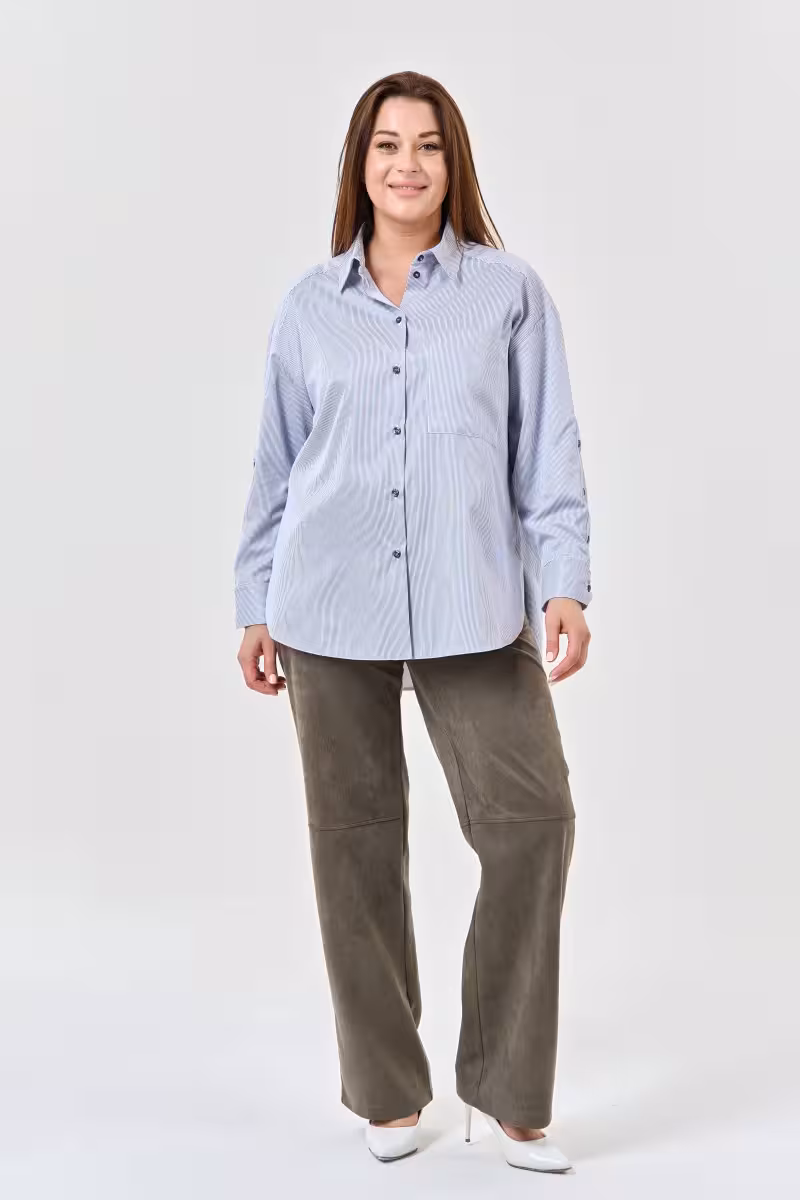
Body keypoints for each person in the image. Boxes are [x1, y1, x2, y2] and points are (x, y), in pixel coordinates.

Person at [233, 71, 592, 1173]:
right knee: (355, 846)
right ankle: (388, 1090)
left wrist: (564, 581)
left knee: (532, 822)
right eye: (386, 145)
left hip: (473, 602)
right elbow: (277, 465)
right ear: (360, 163)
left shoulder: (508, 293)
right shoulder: (310, 306)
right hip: (325, 602)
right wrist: (254, 601)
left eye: (427, 145)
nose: (406, 164)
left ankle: (510, 1093)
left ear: (453, 162)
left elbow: (547, 446)